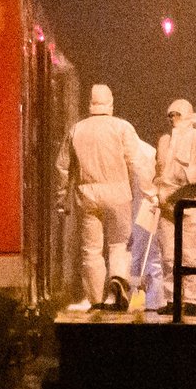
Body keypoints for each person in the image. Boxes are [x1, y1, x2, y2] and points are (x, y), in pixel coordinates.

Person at [56, 84, 140, 312]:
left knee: (91, 250)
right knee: (118, 244)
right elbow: (136, 162)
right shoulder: (122, 127)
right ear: (110, 102)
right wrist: (146, 192)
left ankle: (95, 299)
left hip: (87, 195)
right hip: (119, 194)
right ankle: (118, 278)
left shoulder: (77, 129)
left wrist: (62, 199)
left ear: (90, 103)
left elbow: (63, 167)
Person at [152, 101, 196, 317]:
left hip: (191, 201)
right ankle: (173, 298)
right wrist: (156, 190)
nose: (173, 118)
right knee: (168, 255)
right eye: (170, 114)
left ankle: (191, 300)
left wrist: (185, 175)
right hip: (167, 202)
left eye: (177, 114)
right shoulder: (164, 141)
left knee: (191, 253)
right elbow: (159, 169)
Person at [124, 122, 163, 311]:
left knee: (142, 255)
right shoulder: (147, 151)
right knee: (148, 255)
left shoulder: (142, 152)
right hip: (144, 206)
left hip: (141, 208)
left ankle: (142, 300)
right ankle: (149, 299)